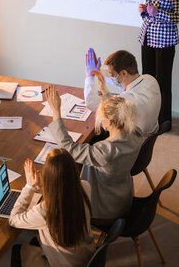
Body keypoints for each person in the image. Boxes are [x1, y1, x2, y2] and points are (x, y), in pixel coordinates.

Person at [45, 86, 144, 221]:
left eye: (102, 117)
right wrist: (105, 92)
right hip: (122, 199)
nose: (101, 120)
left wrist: (56, 112)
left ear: (108, 121)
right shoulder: (136, 133)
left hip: (103, 210)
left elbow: (69, 149)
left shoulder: (105, 151)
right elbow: (119, 111)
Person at [8, 151, 95, 267]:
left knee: (17, 250)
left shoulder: (45, 210)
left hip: (64, 263)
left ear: (48, 176)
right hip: (86, 257)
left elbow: (13, 220)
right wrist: (42, 186)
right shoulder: (85, 186)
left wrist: (29, 186)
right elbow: (63, 190)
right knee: (35, 239)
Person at [138, 0, 179, 129]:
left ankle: (164, 120)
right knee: (147, 79)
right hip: (148, 38)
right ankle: (149, 118)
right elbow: (151, 16)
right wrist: (144, 12)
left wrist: (159, 12)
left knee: (163, 81)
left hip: (165, 41)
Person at [84, 48, 161, 140]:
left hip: (131, 142)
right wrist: (98, 71)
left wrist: (89, 77)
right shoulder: (150, 79)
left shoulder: (127, 101)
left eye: (113, 74)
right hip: (147, 134)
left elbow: (91, 103)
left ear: (124, 73)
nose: (112, 77)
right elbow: (118, 83)